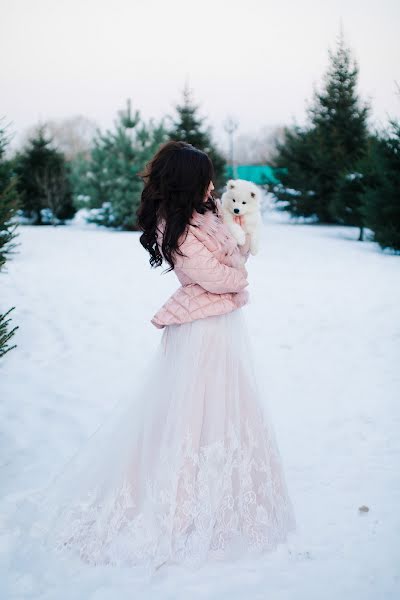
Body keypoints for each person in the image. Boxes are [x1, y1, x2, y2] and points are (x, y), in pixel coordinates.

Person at [30, 140, 296, 574]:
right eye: (206, 176)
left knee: (226, 409)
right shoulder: (175, 224)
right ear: (189, 181)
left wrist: (241, 235)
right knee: (194, 410)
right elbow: (210, 276)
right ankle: (181, 501)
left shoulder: (207, 215)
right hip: (200, 329)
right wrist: (239, 274)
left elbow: (236, 254)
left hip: (222, 324)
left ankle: (224, 496)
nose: (213, 183)